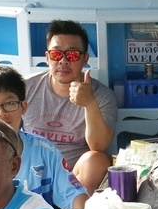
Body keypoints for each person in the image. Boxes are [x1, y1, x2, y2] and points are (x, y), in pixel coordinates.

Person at [0, 64, 88, 209]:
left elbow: (73, 193)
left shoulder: (44, 150)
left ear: (23, 107)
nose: (2, 113)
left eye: (10, 104)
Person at [20, 19, 117, 195]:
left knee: (97, 159)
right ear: (47, 57)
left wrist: (89, 104)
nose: (63, 61)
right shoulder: (25, 88)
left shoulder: (102, 95)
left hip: (74, 179)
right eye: (57, 54)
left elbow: (99, 146)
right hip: (29, 174)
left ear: (85, 59)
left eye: (72, 55)